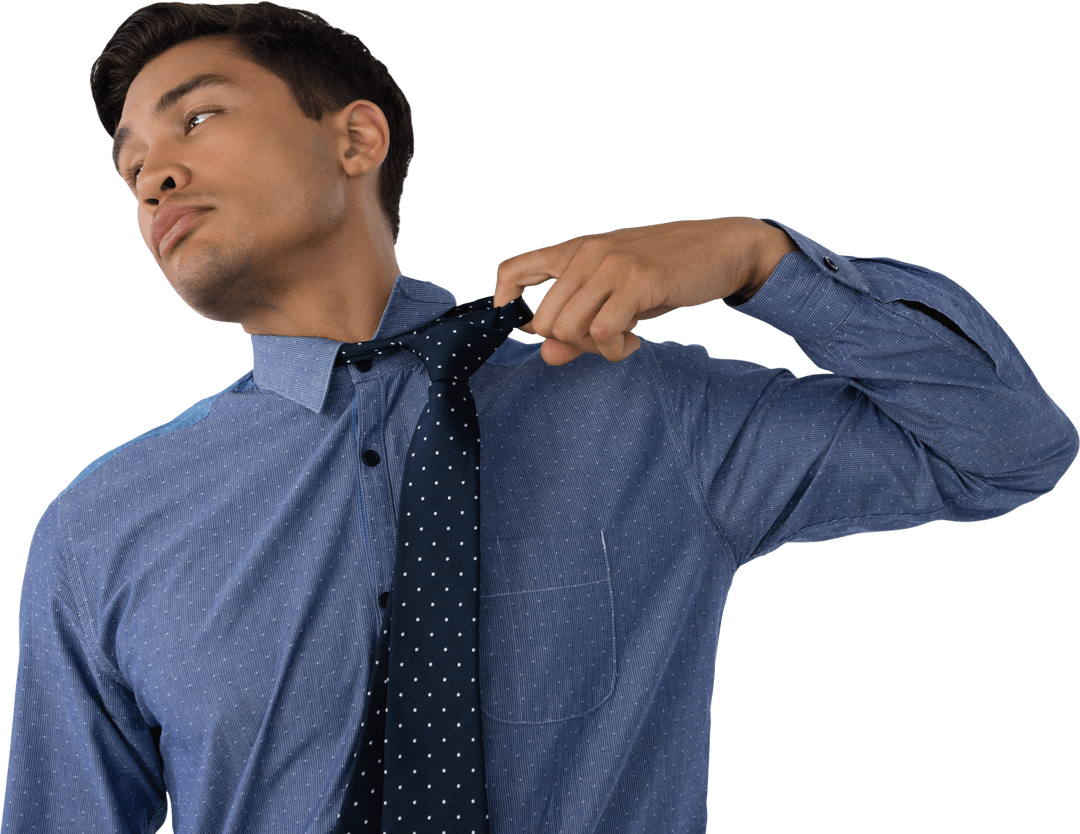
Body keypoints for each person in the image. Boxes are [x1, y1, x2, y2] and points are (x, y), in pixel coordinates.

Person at [2, 2, 1076, 832]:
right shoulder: (101, 529)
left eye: (196, 117)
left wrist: (762, 260)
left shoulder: (636, 405)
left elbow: (1004, 451)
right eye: (132, 167)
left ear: (356, 139)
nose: (157, 177)